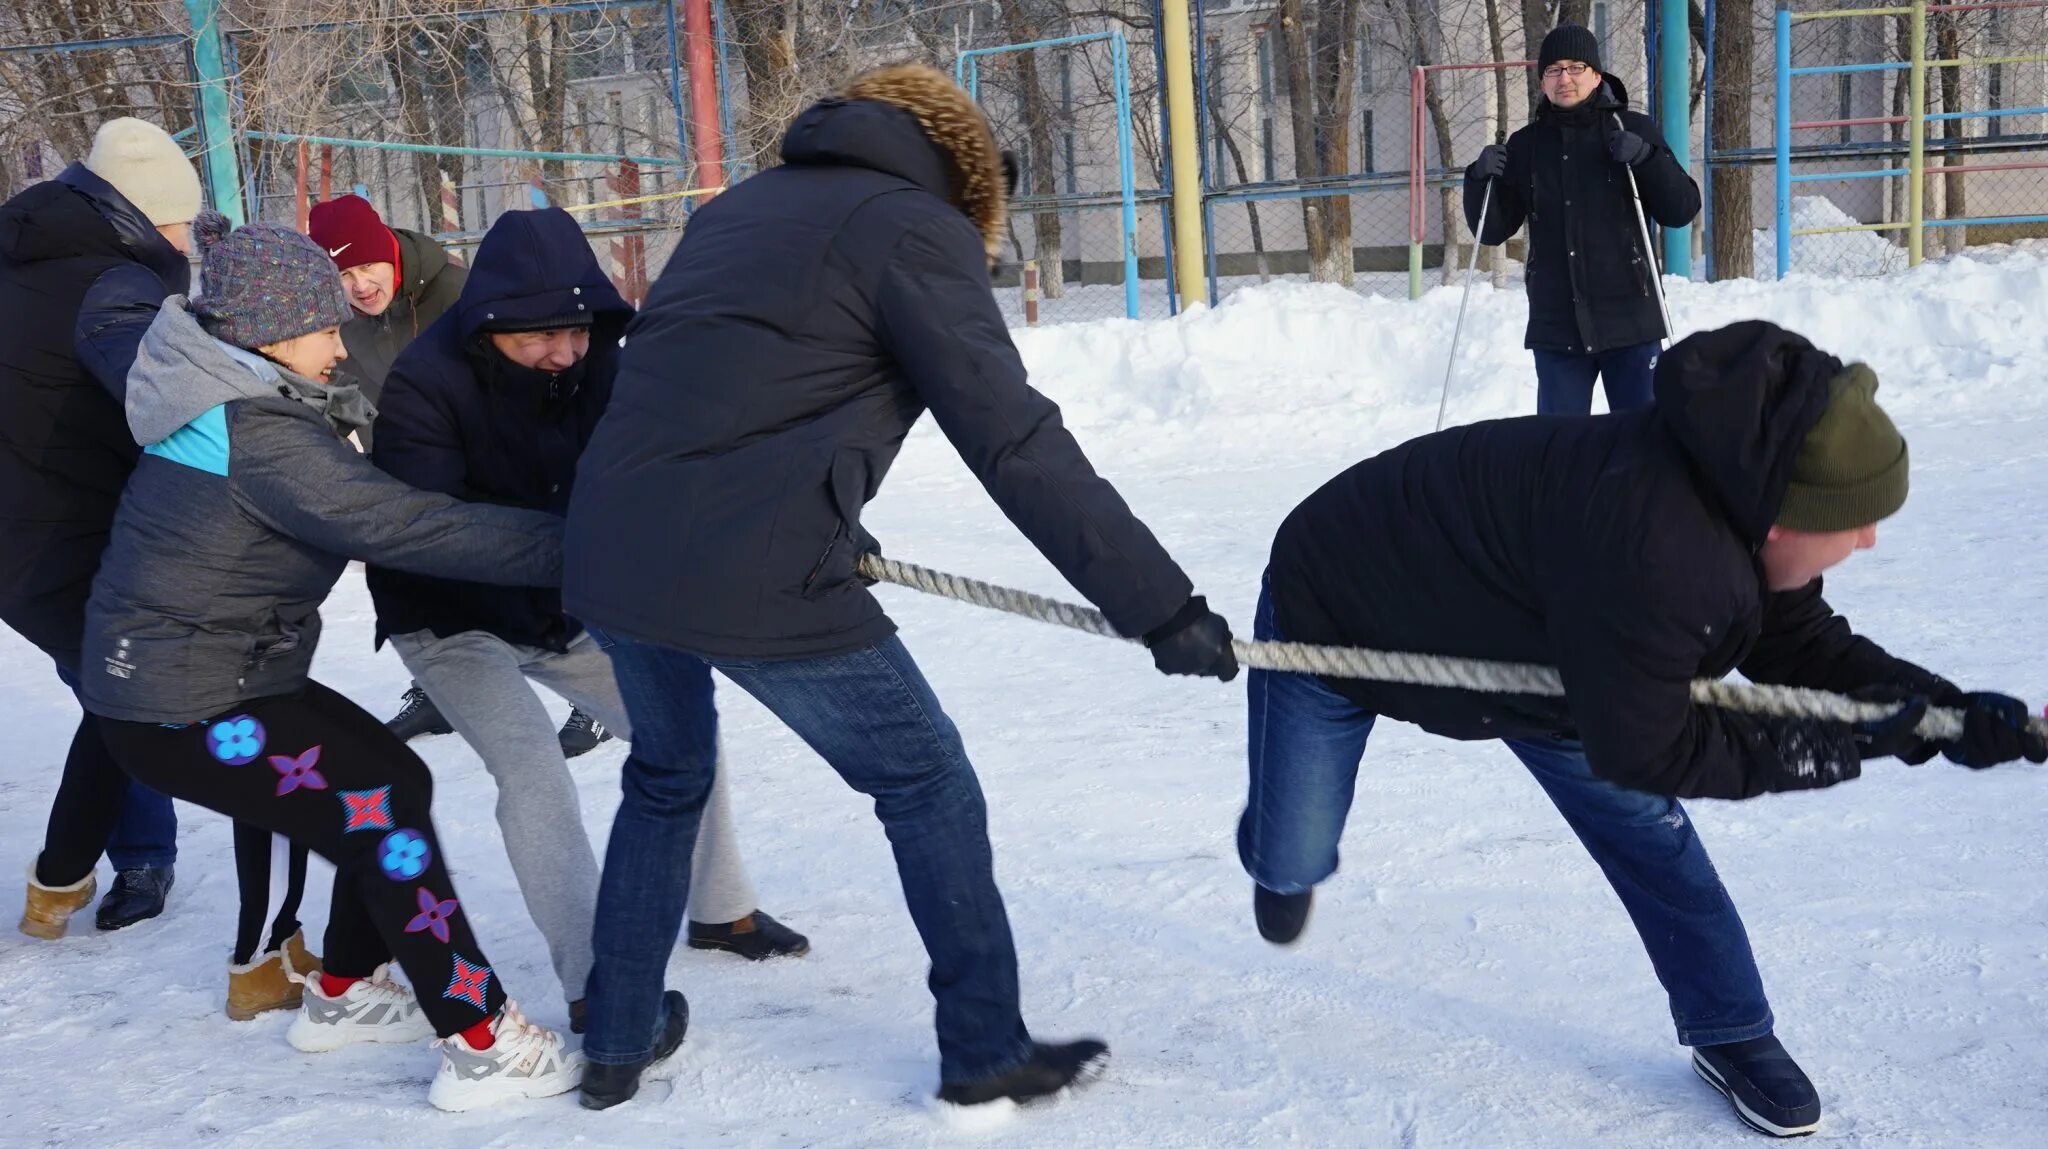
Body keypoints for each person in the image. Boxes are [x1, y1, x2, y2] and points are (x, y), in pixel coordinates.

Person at [563, 63, 1238, 1111]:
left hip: (612, 545)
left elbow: (731, 385)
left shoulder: (737, 208)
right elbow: (1011, 437)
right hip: (751, 571)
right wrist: (1157, 602)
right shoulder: (916, 230)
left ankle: (616, 1038)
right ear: (968, 177)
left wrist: (821, 503)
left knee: (664, 777)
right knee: (925, 785)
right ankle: (981, 1049)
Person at [1240, 319, 2047, 1139]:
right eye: (1855, 520)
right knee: (1292, 852)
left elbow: (1802, 644)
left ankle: (1731, 1029)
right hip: (1338, 609)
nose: (1869, 539)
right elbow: (1651, 745)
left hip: (1555, 652)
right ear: (1783, 518)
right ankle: (1278, 848)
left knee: (1655, 843)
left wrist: (1945, 712)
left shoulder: (1739, 490)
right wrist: (1835, 744)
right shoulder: (1659, 548)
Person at [80, 210, 583, 1111]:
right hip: (187, 707)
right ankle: (480, 1037)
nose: (342, 348)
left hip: (215, 683)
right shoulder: (257, 434)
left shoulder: (232, 403)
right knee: (381, 812)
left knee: (393, 782)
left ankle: (347, 990)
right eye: (324, 328)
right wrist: (588, 544)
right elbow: (408, 525)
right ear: (272, 335)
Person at [367, 207, 808, 1024]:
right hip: (448, 613)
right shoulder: (425, 384)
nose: (564, 350)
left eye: (577, 328)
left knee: (681, 729)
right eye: (539, 334)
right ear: (490, 321)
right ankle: (595, 982)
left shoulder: (606, 362)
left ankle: (721, 908)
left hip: (564, 603)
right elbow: (428, 532)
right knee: (534, 768)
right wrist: (582, 547)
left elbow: (669, 465)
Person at [305, 194, 615, 753]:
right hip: (414, 451)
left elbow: (517, 373)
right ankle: (441, 684)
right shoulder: (345, 319)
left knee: (542, 555)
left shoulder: (460, 295)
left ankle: (587, 698)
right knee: (435, 563)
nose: (359, 284)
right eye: (342, 273)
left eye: (366, 265)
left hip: (497, 449)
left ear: (390, 254)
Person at [3, 118, 194, 936]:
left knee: (108, 684)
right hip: (71, 531)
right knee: (128, 694)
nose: (191, 237)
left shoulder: (24, 255)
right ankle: (83, 865)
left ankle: (112, 857)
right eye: (185, 221)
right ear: (145, 213)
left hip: (27, 535)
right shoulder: (116, 288)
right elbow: (166, 408)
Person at [1463, 24, 1700, 416]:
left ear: (1596, 74)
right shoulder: (1526, 146)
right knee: (1560, 451)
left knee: (1644, 443)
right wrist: (1477, 179)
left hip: (1630, 320)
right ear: (1542, 81)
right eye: (1554, 70)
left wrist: (1646, 159)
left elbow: (1682, 209)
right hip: (1558, 328)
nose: (1565, 78)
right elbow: (1491, 231)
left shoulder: (1632, 130)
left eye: (1576, 67)